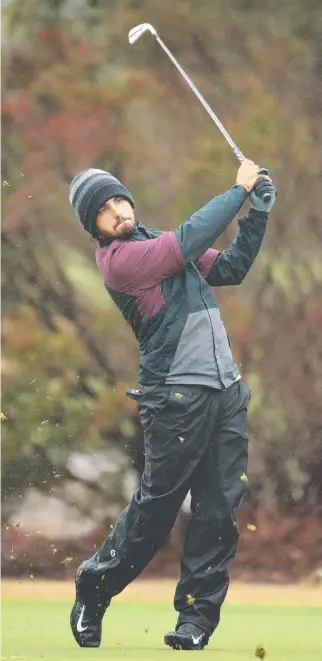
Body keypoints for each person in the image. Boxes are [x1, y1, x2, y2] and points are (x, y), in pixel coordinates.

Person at [68, 160, 276, 650]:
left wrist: (258, 211)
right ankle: (94, 587)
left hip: (225, 391)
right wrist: (238, 190)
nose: (116, 211)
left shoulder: (159, 242)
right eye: (102, 210)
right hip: (174, 398)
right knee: (158, 511)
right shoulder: (121, 261)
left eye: (118, 199)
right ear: (93, 227)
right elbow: (185, 242)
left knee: (218, 512)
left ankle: (194, 621)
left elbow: (230, 268)